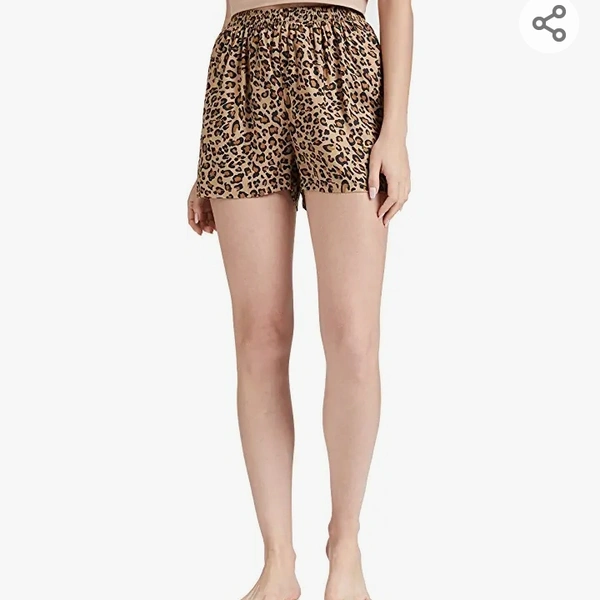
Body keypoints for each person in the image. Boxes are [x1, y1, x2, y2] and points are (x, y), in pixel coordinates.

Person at [187, 0, 413, 598]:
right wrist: (206, 160)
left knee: (353, 336)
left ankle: (345, 547)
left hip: (340, 65)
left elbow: (396, 6)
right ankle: (278, 563)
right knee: (258, 337)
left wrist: (394, 132)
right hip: (239, 72)